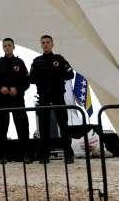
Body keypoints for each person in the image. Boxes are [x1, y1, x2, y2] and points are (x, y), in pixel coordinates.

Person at [29, 34, 76, 163]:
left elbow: (70, 74)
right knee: (44, 127)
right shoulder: (37, 61)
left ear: (52, 44)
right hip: (43, 97)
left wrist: (58, 76)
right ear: (41, 45)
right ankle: (45, 155)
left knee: (63, 125)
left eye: (48, 42)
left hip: (58, 96)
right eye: (43, 42)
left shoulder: (60, 59)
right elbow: (31, 78)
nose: (45, 44)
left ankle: (68, 154)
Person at [0, 37, 32, 162]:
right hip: (2, 101)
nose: (7, 48)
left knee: (22, 127)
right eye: (5, 46)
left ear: (13, 47)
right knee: (0, 128)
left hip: (17, 100)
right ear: (3, 48)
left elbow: (26, 82)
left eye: (9, 45)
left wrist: (18, 90)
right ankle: (1, 156)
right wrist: (0, 88)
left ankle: (26, 154)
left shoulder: (20, 62)